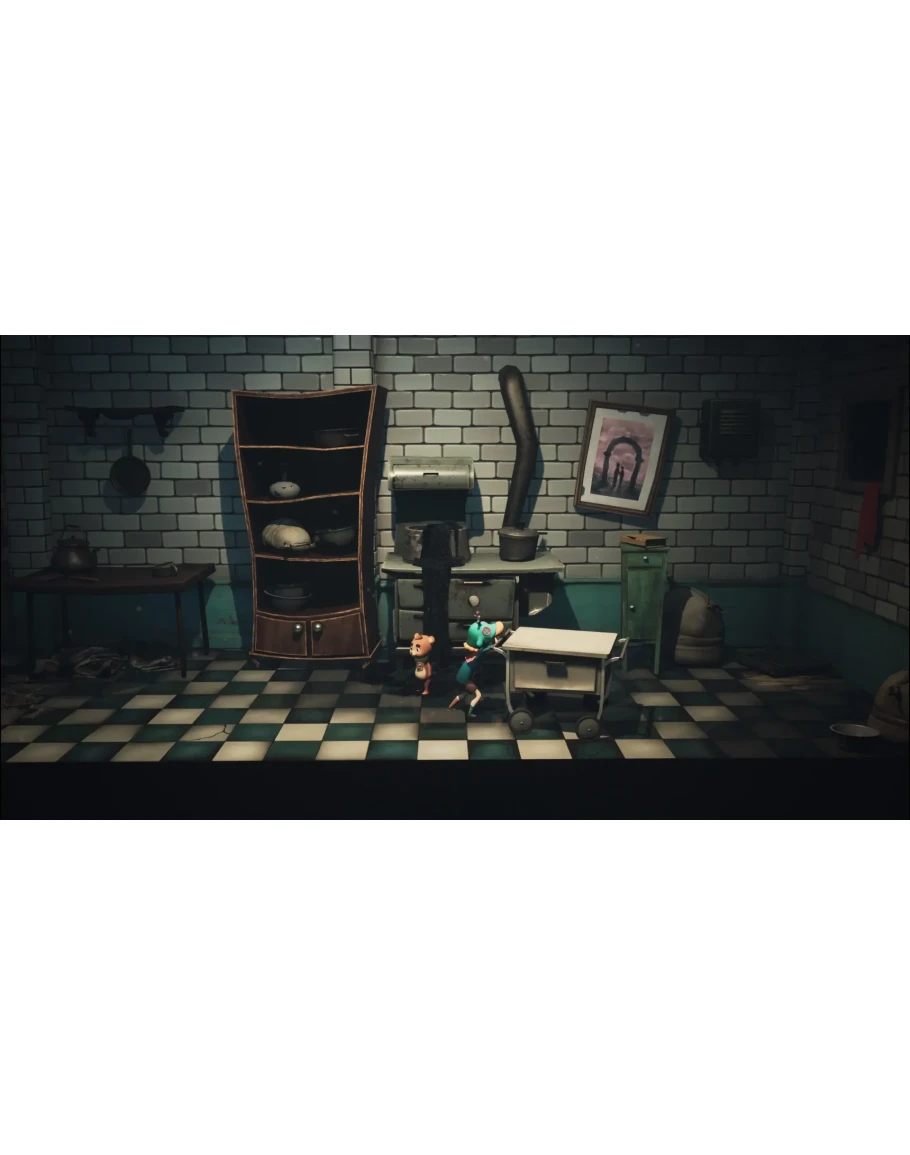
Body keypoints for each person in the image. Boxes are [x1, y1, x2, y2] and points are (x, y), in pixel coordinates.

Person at [448, 619, 507, 717]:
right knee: (478, 695)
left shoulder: (472, 654)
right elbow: (486, 650)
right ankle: (469, 713)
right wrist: (492, 646)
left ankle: (450, 707)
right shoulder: (477, 656)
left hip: (461, 678)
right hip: (465, 680)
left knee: (464, 694)